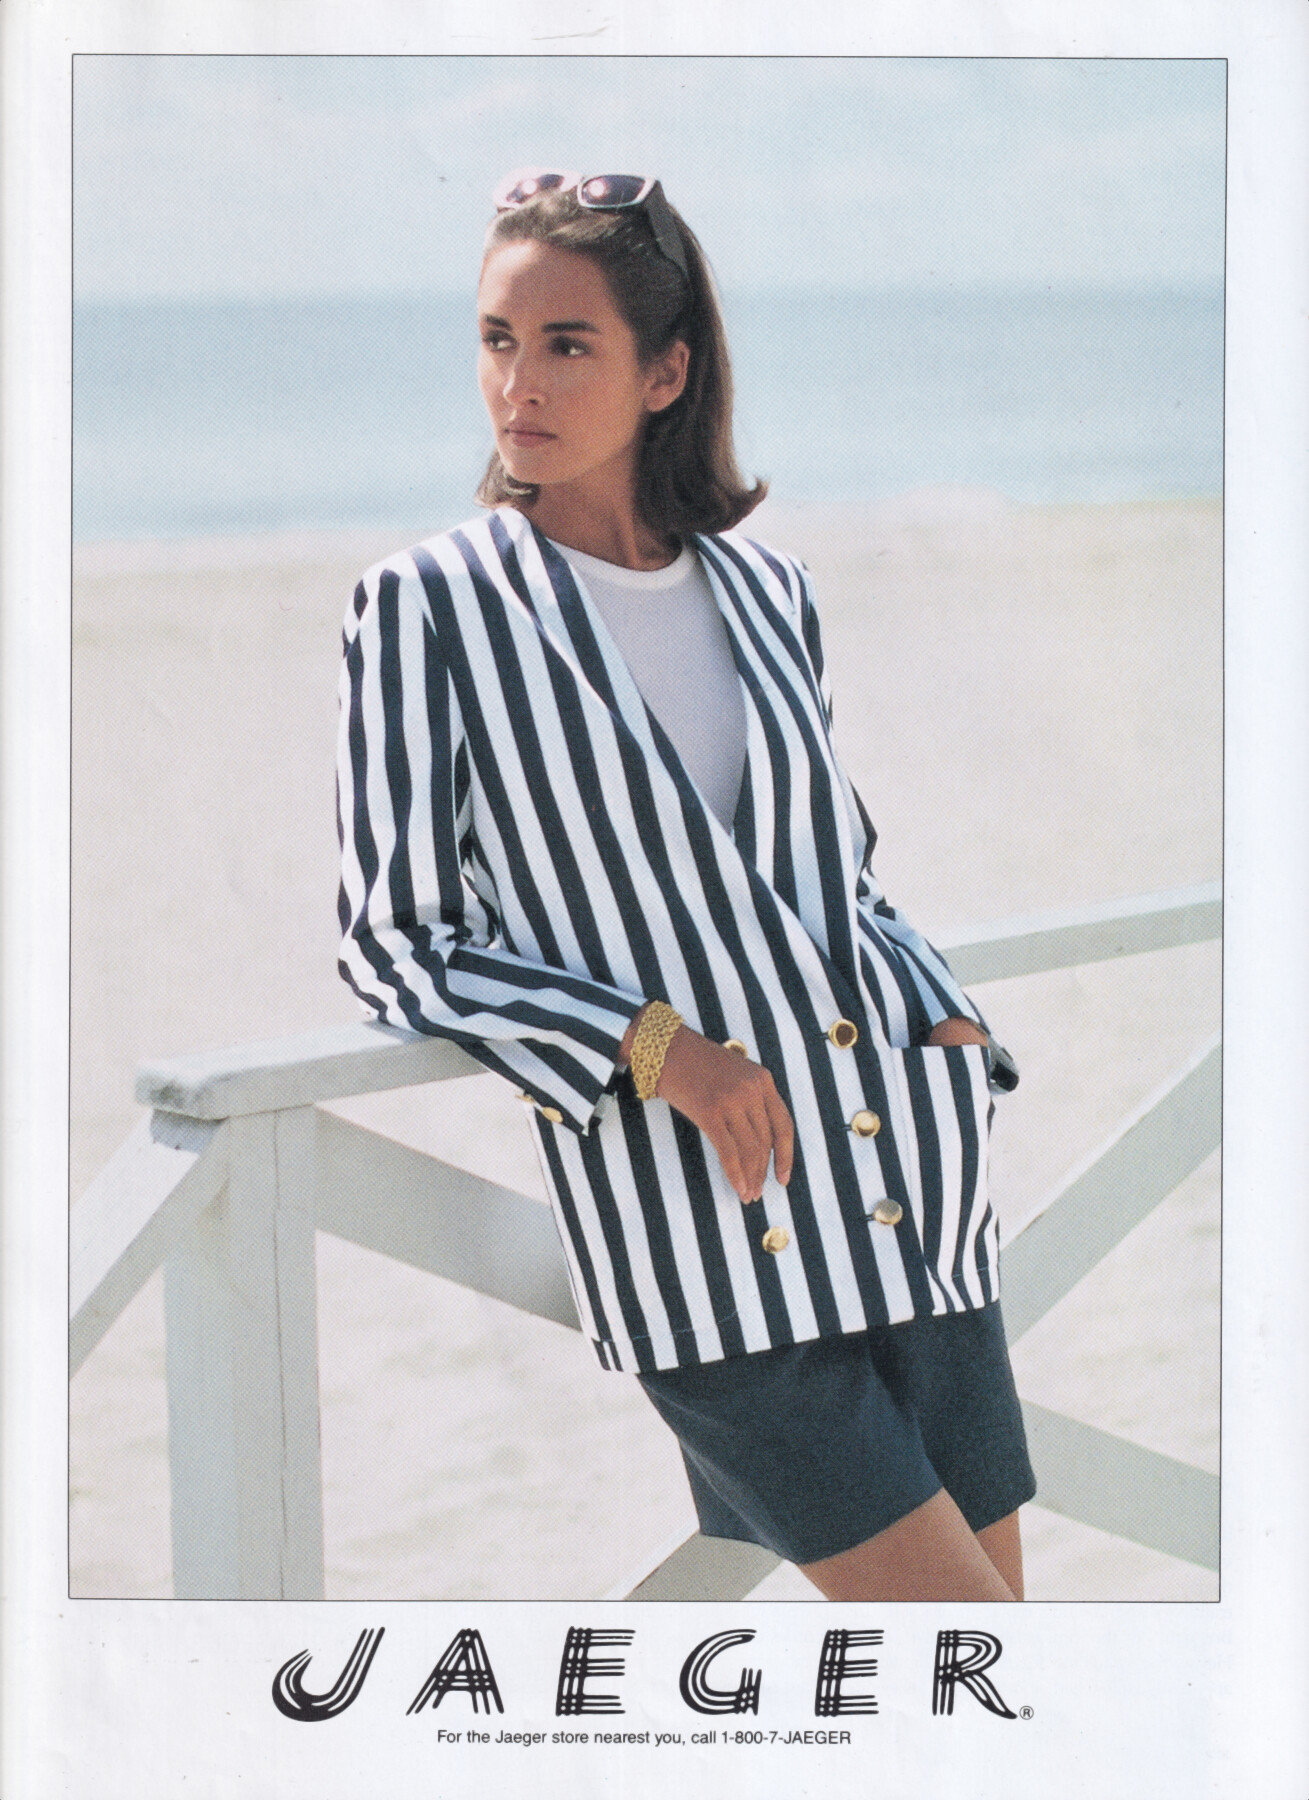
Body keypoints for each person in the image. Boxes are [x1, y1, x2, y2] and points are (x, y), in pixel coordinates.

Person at [337, 170, 1036, 1601]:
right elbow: (395, 941)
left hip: (902, 1185)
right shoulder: (430, 606)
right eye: (496, 340)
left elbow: (839, 873)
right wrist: (656, 1050)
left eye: (566, 344)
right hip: (706, 1240)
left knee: (986, 1659)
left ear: (666, 371)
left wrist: (943, 1015)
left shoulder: (769, 591)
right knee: (975, 1662)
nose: (518, 383)